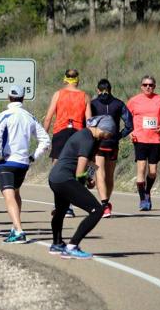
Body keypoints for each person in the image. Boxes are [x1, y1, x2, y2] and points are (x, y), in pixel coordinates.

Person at [48, 116, 116, 259]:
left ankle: (57, 244)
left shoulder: (95, 139)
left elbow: (91, 161)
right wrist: (84, 182)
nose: (110, 137)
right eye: (110, 133)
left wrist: (90, 178)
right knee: (97, 210)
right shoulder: (87, 139)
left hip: (56, 178)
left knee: (60, 211)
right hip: (65, 179)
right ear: (104, 129)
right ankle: (72, 246)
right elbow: (80, 172)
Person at [0, 85, 50, 243]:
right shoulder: (29, 116)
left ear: (8, 97)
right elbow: (45, 140)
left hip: (7, 162)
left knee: (9, 195)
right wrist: (33, 157)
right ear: (23, 98)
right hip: (23, 163)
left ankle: (19, 231)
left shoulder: (5, 114)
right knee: (16, 193)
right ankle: (14, 227)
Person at [43, 69, 92, 218]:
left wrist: (44, 137)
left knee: (57, 169)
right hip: (77, 133)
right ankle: (69, 206)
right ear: (77, 80)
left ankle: (60, 206)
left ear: (65, 79)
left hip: (60, 133)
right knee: (74, 169)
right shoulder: (84, 96)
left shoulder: (58, 94)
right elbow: (89, 121)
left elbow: (48, 118)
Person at [126, 75, 160, 211]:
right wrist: (130, 132)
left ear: (154, 86)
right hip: (139, 139)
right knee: (141, 169)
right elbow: (126, 117)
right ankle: (143, 200)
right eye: (145, 85)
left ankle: (147, 191)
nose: (148, 87)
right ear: (141, 86)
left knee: (152, 172)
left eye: (151, 85)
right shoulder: (134, 101)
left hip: (154, 139)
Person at [90, 79, 133, 218]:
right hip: (113, 143)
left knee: (99, 173)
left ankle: (104, 205)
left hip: (98, 143)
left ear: (97, 90)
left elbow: (87, 121)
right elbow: (130, 125)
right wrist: (119, 136)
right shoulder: (119, 103)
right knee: (109, 175)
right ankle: (106, 203)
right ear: (111, 89)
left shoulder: (93, 104)